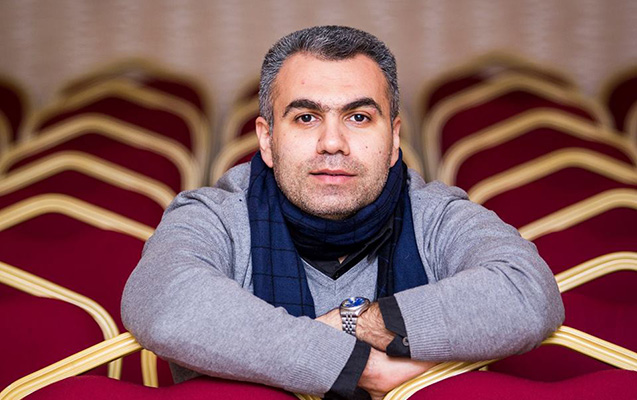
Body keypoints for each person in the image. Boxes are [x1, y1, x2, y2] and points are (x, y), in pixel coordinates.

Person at [121, 25, 564, 400]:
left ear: (393, 139)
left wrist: (363, 321)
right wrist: (359, 367)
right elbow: (164, 301)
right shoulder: (216, 215)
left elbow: (527, 290)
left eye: (358, 117)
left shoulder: (434, 214)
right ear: (267, 139)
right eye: (306, 118)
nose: (332, 143)